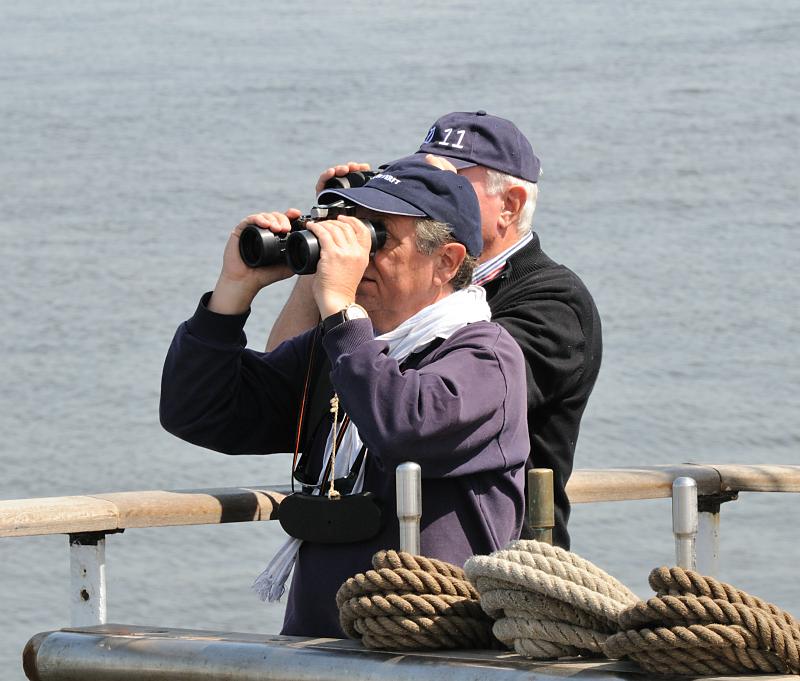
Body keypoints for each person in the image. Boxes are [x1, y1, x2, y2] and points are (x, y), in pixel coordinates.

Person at [160, 157, 529, 637]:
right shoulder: (336, 350)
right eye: (351, 235)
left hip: (435, 650)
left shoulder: (486, 357)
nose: (355, 257)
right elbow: (200, 412)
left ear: (447, 262)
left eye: (377, 239)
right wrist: (233, 292)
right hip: (319, 648)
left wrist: (338, 308)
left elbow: (403, 429)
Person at [266, 111, 602, 549]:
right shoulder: (392, 293)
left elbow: (422, 408)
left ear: (511, 205)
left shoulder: (553, 305)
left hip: (489, 566)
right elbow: (296, 384)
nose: (424, 189)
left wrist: (351, 300)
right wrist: (327, 244)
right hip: (372, 549)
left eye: (450, 177)